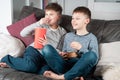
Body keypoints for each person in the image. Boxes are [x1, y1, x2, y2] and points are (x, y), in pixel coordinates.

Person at [0, 3, 66, 74]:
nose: (48, 17)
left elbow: (60, 49)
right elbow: (23, 33)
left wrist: (53, 48)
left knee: (45, 72)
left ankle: (19, 63)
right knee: (30, 66)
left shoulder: (62, 32)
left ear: (59, 16)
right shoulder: (42, 25)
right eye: (46, 14)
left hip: (46, 58)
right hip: (34, 50)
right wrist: (39, 23)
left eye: (51, 14)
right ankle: (6, 59)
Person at [40, 6, 99, 80]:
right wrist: (63, 54)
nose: (73, 21)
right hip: (66, 65)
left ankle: (62, 77)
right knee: (46, 48)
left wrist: (81, 48)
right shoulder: (67, 36)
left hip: (80, 66)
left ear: (86, 21)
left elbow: (94, 59)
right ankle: (73, 76)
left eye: (77, 19)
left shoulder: (92, 38)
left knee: (92, 55)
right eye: (73, 18)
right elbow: (63, 55)